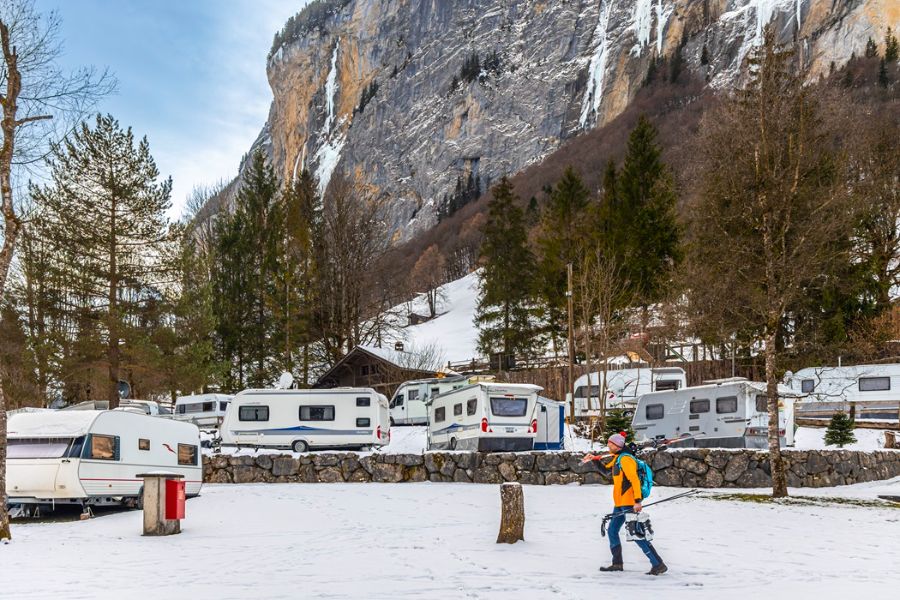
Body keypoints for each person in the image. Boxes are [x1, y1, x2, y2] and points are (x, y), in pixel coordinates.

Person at [586, 431, 667, 575]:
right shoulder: (617, 458)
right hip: (620, 502)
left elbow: (634, 480)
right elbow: (606, 472)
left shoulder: (626, 460)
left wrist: (637, 501)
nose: (608, 445)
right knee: (612, 531)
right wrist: (594, 460)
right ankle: (617, 564)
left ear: (616, 445)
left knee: (636, 534)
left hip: (629, 502)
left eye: (610, 443)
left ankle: (658, 564)